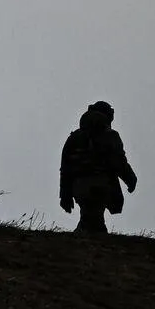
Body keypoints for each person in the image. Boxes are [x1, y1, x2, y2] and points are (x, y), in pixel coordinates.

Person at [60, 100, 138, 234]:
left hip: (79, 186)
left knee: (91, 220)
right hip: (101, 185)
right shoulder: (110, 135)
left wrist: (65, 195)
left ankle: (84, 239)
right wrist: (130, 179)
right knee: (94, 223)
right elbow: (119, 161)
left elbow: (65, 169)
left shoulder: (74, 137)